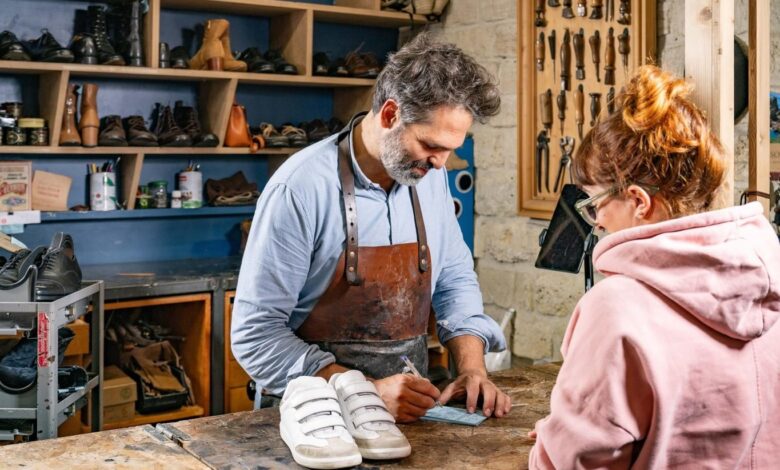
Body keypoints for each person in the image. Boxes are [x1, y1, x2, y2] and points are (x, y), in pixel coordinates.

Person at [232, 33, 512, 423]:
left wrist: (471, 368)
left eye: (452, 148)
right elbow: (255, 336)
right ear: (389, 114)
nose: (441, 164)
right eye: (431, 145)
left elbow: (453, 278)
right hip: (315, 417)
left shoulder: (428, 177)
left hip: (408, 416)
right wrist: (365, 393)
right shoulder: (300, 187)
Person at [529, 65, 780, 468]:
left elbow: (576, 462)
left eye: (595, 204)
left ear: (638, 201)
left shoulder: (617, 308)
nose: (598, 221)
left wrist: (553, 440)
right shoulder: (768, 280)